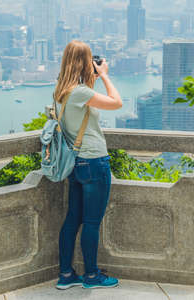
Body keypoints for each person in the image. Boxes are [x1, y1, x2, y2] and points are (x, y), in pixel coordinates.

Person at [52, 40, 122, 290]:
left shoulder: (60, 91)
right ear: (84, 62)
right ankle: (92, 275)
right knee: (91, 222)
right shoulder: (80, 92)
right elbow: (116, 102)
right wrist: (104, 75)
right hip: (94, 162)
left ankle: (66, 274)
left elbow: (83, 108)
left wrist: (90, 77)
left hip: (76, 163)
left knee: (73, 219)